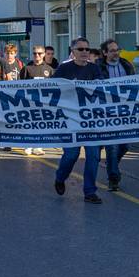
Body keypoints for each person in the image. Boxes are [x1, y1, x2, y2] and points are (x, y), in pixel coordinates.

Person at [53, 37, 107, 204]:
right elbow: (51, 90)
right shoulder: (63, 68)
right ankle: (60, 178)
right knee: (71, 155)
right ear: (73, 52)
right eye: (81, 49)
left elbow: (101, 89)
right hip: (70, 120)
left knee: (93, 156)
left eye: (87, 50)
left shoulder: (94, 68)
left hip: (89, 120)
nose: (85, 52)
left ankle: (90, 191)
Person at [97, 39, 135, 191]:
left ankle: (112, 164)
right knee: (112, 147)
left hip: (124, 111)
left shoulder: (126, 65)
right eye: (112, 50)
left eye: (117, 49)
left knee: (125, 146)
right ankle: (114, 177)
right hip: (107, 112)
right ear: (105, 53)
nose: (116, 53)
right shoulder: (98, 67)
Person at [22, 46, 56, 156]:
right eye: (35, 53)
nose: (37, 56)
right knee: (29, 124)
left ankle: (38, 147)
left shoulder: (49, 70)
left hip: (44, 102)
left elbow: (54, 86)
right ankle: (28, 145)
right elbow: (19, 85)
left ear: (44, 54)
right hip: (29, 101)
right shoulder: (27, 68)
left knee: (41, 124)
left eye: (40, 53)